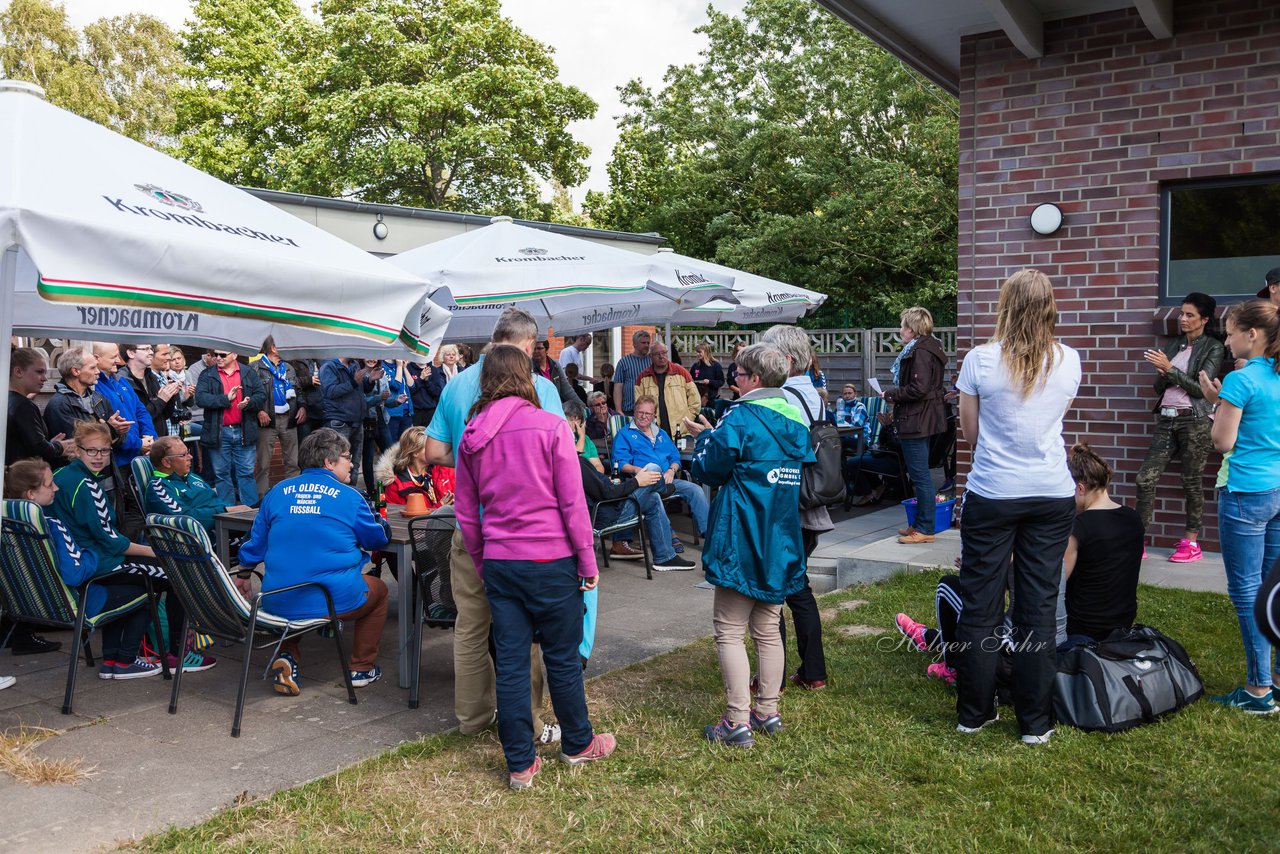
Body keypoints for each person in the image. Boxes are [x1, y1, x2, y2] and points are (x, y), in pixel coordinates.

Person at [455, 345, 616, 789]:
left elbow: (468, 514)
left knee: (509, 663)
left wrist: (486, 564)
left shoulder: (472, 434)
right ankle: (578, 744)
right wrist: (587, 562)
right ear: (527, 377)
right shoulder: (550, 426)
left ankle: (520, 763)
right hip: (551, 560)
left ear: (486, 379)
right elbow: (572, 503)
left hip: (503, 561)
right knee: (561, 657)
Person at [425, 307, 566, 741]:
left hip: (469, 526)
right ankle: (527, 720)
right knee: (522, 632)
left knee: (470, 627)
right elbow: (560, 456)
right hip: (524, 530)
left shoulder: (458, 383)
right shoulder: (538, 386)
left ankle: (472, 719)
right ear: (527, 345)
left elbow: (431, 451)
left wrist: (472, 460)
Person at [953, 268, 1081, 745]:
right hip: (1050, 491)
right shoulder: (1070, 359)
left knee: (981, 606)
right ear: (1050, 307)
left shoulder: (980, 360)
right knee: (1038, 609)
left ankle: (974, 713)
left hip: (993, 492)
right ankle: (1035, 724)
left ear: (1004, 305)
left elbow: (970, 434)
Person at [684, 343, 811, 747]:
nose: (732, 380)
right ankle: (768, 711)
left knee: (729, 630)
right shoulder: (796, 421)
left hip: (743, 534)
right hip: (781, 536)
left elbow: (708, 469)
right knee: (769, 628)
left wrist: (706, 439)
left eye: (737, 374)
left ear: (754, 379)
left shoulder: (739, 419)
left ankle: (737, 721)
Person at [237, 428, 391, 694]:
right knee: (379, 591)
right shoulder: (350, 496)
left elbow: (256, 543)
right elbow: (376, 539)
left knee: (295, 594)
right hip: (334, 598)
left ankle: (288, 656)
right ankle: (361, 668)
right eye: (347, 457)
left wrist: (243, 573)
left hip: (276, 597)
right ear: (329, 463)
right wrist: (382, 522)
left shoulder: (277, 491)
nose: (352, 463)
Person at [52, 421, 211, 672]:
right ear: (77, 450)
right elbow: (111, 541)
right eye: (91, 450)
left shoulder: (59, 476)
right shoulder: (87, 486)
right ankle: (173, 654)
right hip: (98, 564)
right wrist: (155, 552)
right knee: (175, 571)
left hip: (78, 563)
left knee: (152, 574)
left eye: (104, 450)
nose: (98, 457)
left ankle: (114, 658)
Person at [5, 459, 160, 680]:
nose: (56, 488)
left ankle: (109, 662)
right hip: (77, 602)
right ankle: (124, 661)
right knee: (146, 589)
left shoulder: (9, 526)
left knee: (120, 587)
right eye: (50, 485)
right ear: (31, 494)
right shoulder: (53, 525)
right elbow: (75, 572)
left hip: (33, 605)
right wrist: (90, 554)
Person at [1197, 299, 1280, 714]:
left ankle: (1258, 690)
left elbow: (1222, 442)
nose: (1225, 340)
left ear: (1252, 334)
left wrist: (1217, 401)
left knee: (1247, 591)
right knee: (1274, 588)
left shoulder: (1239, 380)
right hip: (1279, 489)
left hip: (1246, 492)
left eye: (1229, 333)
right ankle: (1277, 679)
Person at [760, 324, 832, 690]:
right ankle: (812, 671)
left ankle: (776, 674)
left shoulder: (784, 399)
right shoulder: (814, 395)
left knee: (778, 590)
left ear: (785, 359)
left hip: (788, 506)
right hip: (812, 505)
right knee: (797, 587)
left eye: (770, 355)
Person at [1135, 292, 1224, 563]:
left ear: (1204, 319)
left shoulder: (1213, 347)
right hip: (1167, 418)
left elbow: (1201, 390)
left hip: (1195, 420)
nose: (1182, 319)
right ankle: (1137, 540)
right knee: (1144, 478)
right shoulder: (1174, 345)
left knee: (1191, 482)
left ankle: (1191, 543)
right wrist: (1164, 372)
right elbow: (1158, 388)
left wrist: (1169, 369)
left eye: (1189, 315)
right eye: (1181, 313)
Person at [1060, 443, 1143, 646]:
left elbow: (1056, 583)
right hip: (1122, 624)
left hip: (1082, 628)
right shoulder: (1133, 518)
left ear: (1080, 488)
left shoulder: (1079, 527)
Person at [880, 307, 948, 545]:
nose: (900, 330)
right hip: (924, 417)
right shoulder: (930, 347)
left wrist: (890, 394)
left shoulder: (920, 351)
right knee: (920, 475)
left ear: (911, 328)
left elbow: (918, 389)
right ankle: (919, 523)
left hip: (917, 418)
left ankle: (926, 528)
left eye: (902, 326)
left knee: (920, 476)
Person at [611, 395, 709, 550]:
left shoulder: (661, 434)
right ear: (634, 412)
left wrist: (672, 470)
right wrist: (638, 470)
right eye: (639, 412)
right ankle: (670, 534)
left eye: (647, 414)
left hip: (667, 479)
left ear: (653, 416)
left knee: (695, 489)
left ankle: (708, 535)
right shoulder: (624, 434)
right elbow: (619, 463)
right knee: (653, 473)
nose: (643, 416)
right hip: (644, 481)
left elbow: (675, 457)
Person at [196, 349, 266, 506]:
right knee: (221, 474)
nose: (218, 358)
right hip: (219, 432)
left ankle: (251, 513)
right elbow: (200, 398)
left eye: (222, 355)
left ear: (234, 355)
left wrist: (249, 403)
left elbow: (261, 395)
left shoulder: (248, 372)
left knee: (246, 473)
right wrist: (225, 399)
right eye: (216, 354)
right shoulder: (207, 374)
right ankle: (227, 516)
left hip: (244, 430)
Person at [144, 436, 234, 538]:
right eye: (183, 455)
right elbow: (185, 520)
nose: (190, 457)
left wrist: (235, 511)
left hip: (227, 526)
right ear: (166, 462)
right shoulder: (159, 487)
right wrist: (225, 511)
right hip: (204, 541)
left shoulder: (192, 477)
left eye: (188, 452)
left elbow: (216, 501)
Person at [251, 336, 303, 497]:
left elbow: (298, 391)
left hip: (289, 419)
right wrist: (259, 410)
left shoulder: (288, 368)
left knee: (293, 462)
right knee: (263, 464)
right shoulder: (255, 368)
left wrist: (303, 407)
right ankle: (261, 501)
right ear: (273, 347)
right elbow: (249, 393)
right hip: (267, 421)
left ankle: (292, 498)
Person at [92, 342, 157, 466]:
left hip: (139, 455)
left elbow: (141, 412)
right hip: (118, 461)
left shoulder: (121, 381)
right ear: (97, 358)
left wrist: (150, 439)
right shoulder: (94, 387)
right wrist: (138, 444)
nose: (118, 360)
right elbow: (108, 426)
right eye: (113, 357)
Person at [8, 347, 75, 467]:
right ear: (18, 372)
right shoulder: (23, 405)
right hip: (24, 477)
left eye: (45, 372)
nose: (45, 378)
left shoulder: (9, 401)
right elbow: (39, 448)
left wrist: (51, 445)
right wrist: (60, 446)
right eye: (39, 372)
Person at [319, 356, 376, 490]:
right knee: (337, 461)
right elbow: (331, 391)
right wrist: (354, 381)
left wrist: (371, 380)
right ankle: (336, 494)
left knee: (354, 463)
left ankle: (352, 494)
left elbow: (362, 388)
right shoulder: (329, 366)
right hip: (338, 421)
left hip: (357, 420)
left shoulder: (354, 364)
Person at [42, 346, 118, 445]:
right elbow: (77, 443)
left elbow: (117, 442)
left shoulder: (99, 398)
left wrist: (119, 430)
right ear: (75, 371)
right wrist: (109, 428)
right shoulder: (59, 404)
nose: (98, 371)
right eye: (92, 368)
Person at [373, 425, 455, 509]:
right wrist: (439, 508)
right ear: (415, 453)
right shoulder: (396, 487)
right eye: (428, 447)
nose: (434, 450)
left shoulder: (445, 469)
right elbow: (402, 520)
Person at [635, 342, 700, 439]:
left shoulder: (681, 372)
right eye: (657, 354)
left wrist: (688, 418)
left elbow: (695, 400)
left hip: (680, 430)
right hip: (653, 431)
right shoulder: (643, 377)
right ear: (650, 356)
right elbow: (639, 405)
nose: (661, 356)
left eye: (664, 353)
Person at [612, 330, 652, 416]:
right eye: (643, 343)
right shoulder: (624, 362)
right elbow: (618, 387)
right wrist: (618, 409)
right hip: (629, 409)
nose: (646, 345)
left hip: (649, 409)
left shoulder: (652, 361)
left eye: (648, 343)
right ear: (635, 344)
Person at [532, 339, 577, 405]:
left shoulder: (555, 364)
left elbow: (566, 389)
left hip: (555, 406)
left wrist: (582, 406)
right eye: (533, 348)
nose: (536, 351)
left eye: (539, 348)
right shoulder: (528, 366)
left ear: (546, 350)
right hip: (538, 406)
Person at [383, 359, 416, 442]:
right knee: (392, 445)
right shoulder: (383, 366)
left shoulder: (400, 365)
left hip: (406, 411)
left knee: (406, 445)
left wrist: (404, 368)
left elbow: (412, 386)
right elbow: (395, 385)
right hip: (393, 412)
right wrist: (399, 366)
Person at [408, 360, 437, 428]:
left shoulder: (433, 370)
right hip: (415, 410)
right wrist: (421, 378)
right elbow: (410, 391)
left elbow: (436, 393)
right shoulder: (409, 368)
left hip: (431, 410)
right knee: (415, 436)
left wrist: (427, 381)